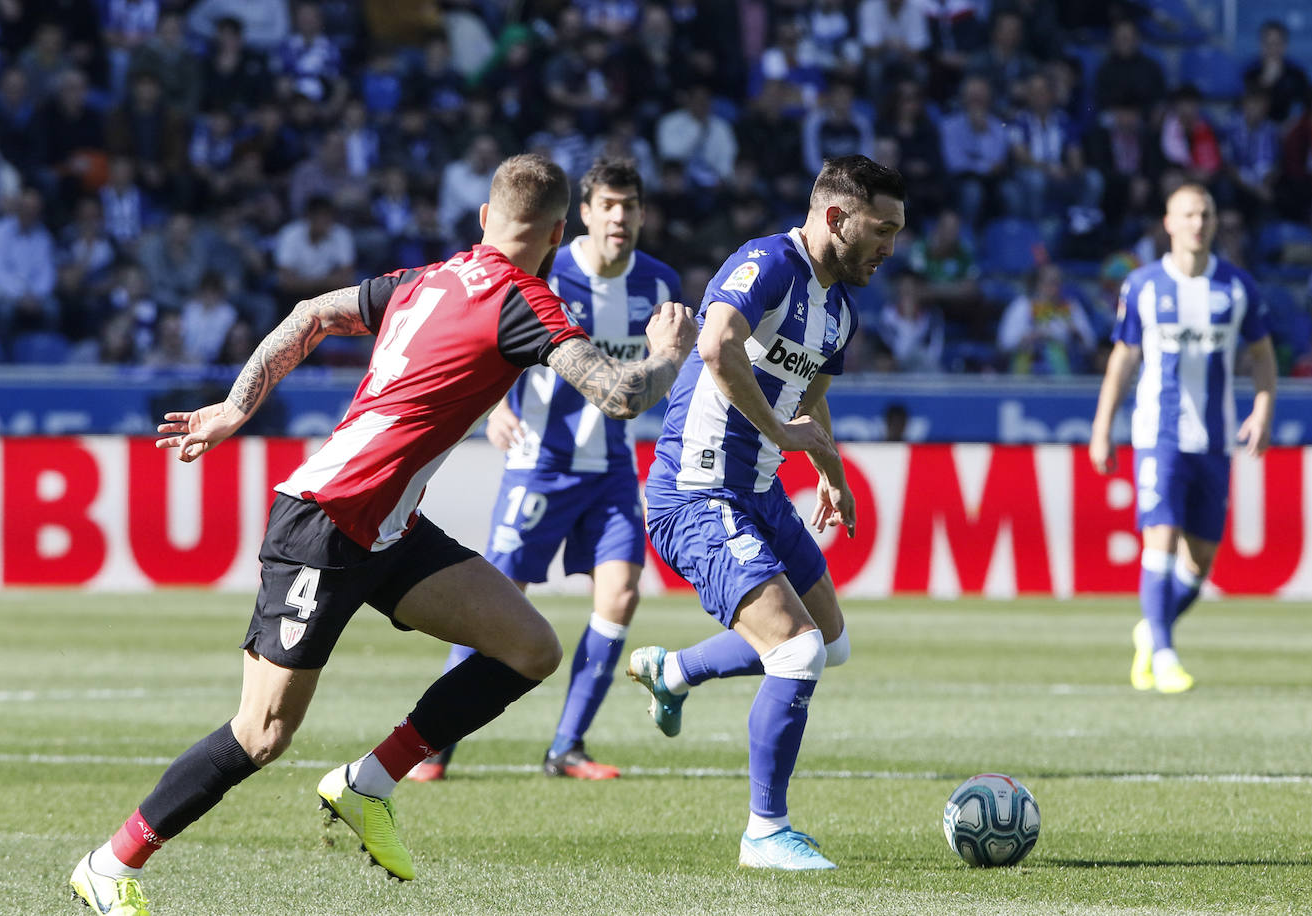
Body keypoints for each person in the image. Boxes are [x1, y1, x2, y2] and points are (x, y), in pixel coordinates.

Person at [68, 153, 697, 916]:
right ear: (561, 232)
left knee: (530, 649)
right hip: (326, 524)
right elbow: (623, 394)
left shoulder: (425, 279)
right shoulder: (523, 301)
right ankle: (110, 862)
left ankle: (369, 783)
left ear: (482, 218)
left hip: (387, 528)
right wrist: (668, 351)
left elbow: (310, 316)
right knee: (263, 733)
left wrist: (238, 406)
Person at [626, 155, 906, 870]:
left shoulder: (839, 309)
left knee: (832, 642)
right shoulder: (769, 262)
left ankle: (676, 671)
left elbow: (809, 394)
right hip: (698, 489)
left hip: (759, 492)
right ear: (837, 218)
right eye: (883, 230)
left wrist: (830, 470)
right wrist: (785, 437)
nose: (890, 248)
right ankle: (764, 832)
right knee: (797, 650)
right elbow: (716, 344)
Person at [409, 158, 681, 783]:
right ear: (582, 214)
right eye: (608, 205)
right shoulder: (548, 270)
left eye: (630, 206)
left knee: (621, 595)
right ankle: (435, 744)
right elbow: (490, 331)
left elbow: (673, 368)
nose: (620, 217)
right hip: (540, 464)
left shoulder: (660, 286)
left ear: (642, 214)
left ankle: (567, 747)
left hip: (611, 468)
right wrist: (496, 408)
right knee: (494, 604)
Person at [1089, 184, 1276, 695]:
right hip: (1158, 435)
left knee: (1202, 561)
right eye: (1188, 214)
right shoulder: (1144, 286)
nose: (1198, 222)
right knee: (1161, 538)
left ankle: (1152, 628)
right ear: (1169, 223)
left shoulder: (1237, 288)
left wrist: (1262, 408)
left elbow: (1262, 355)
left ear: (1215, 223)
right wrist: (1103, 427)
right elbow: (1123, 360)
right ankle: (1166, 654)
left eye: (1206, 214)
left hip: (1214, 440)